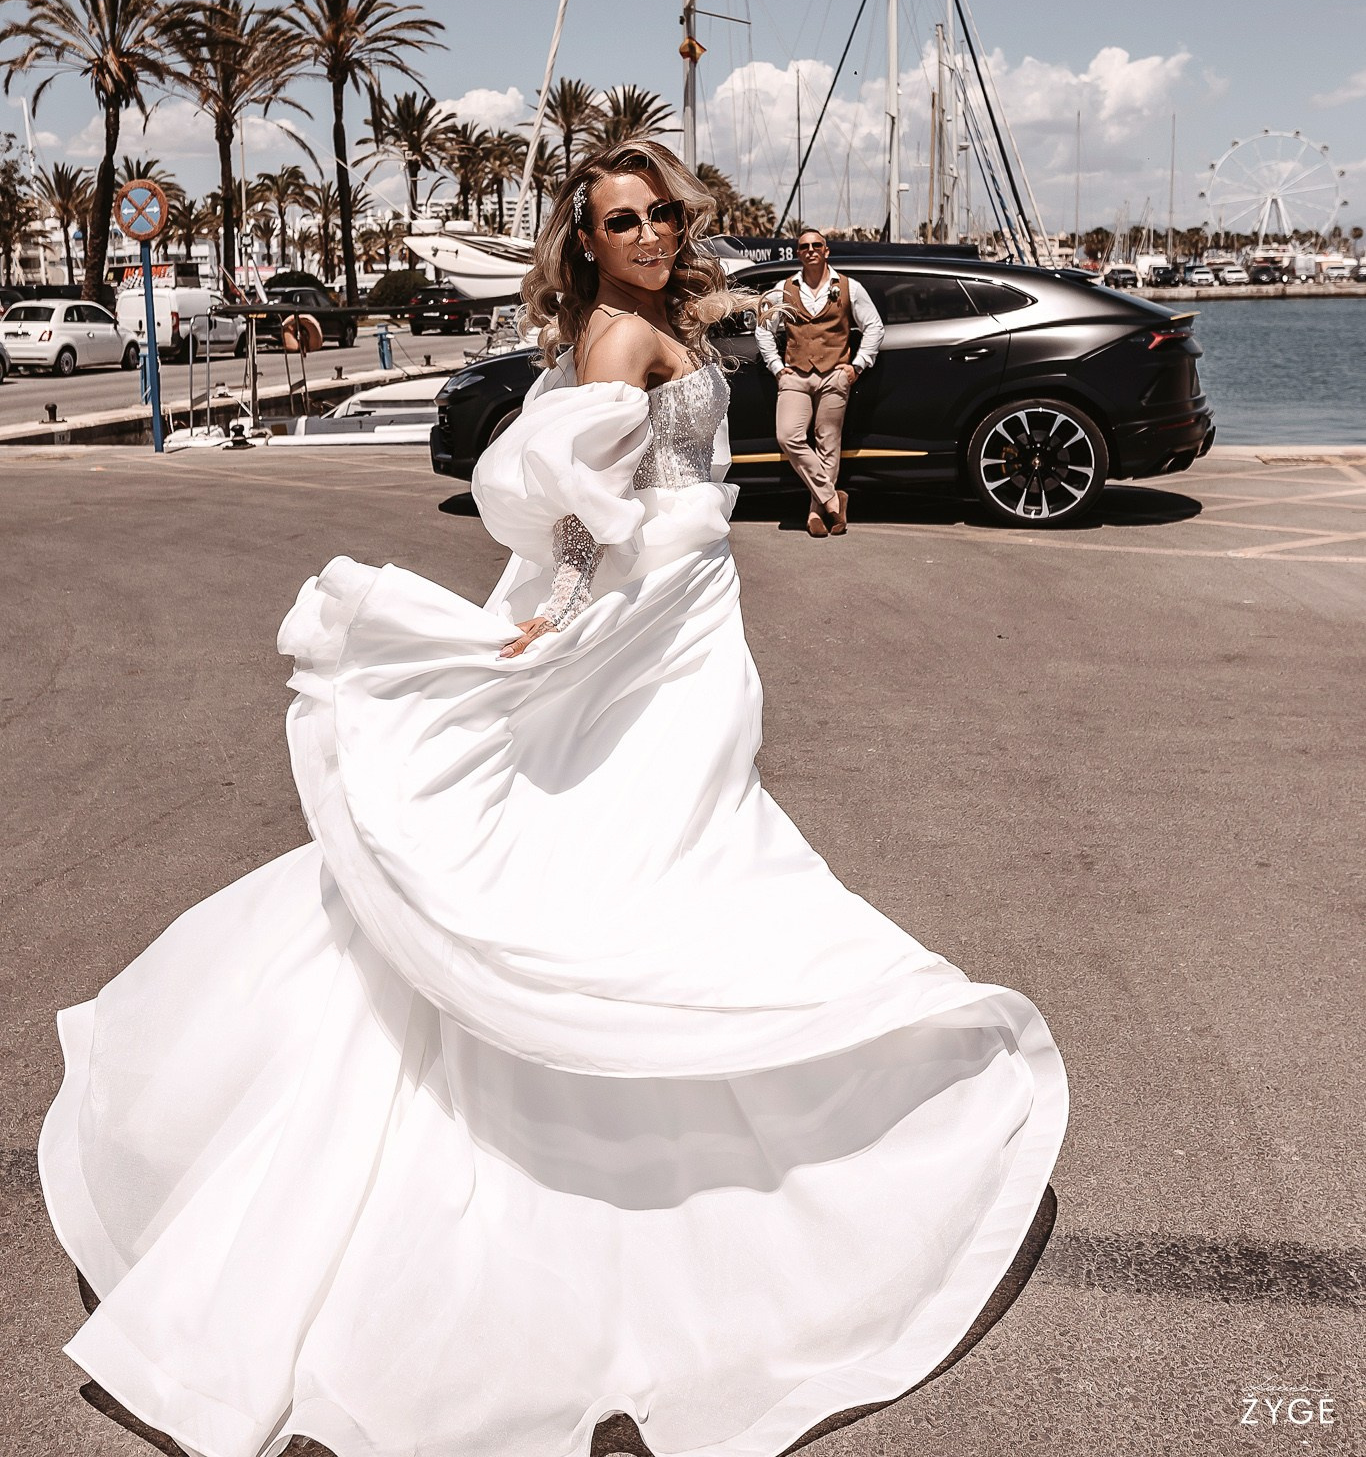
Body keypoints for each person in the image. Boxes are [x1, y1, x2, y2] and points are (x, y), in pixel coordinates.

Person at [38, 140, 1067, 1457]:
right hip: (645, 631)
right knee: (661, 855)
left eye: (653, 215)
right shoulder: (609, 341)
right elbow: (572, 505)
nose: (640, 234)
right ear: (583, 242)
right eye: (615, 222)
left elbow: (672, 429)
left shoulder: (667, 319)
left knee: (687, 844)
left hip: (692, 618)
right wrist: (553, 622)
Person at [755, 226, 885, 536]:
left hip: (835, 374)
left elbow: (874, 327)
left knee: (828, 441)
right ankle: (831, 498)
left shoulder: (849, 287)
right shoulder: (781, 289)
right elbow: (763, 328)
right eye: (804, 246)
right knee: (788, 436)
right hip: (795, 375)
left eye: (817, 245)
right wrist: (775, 366)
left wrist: (857, 366)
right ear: (798, 253)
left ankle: (816, 513)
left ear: (826, 251)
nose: (811, 249)